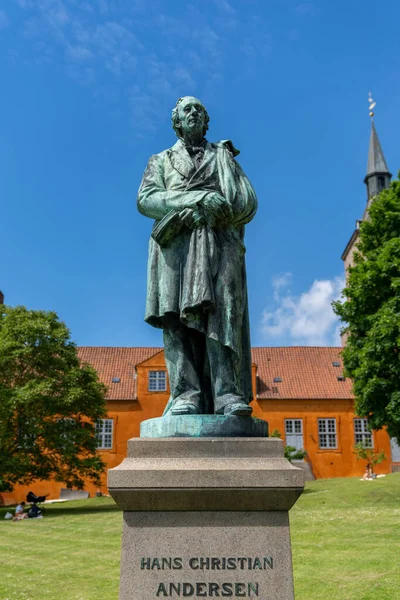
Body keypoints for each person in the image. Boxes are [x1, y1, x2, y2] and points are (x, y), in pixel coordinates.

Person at [138, 96, 257, 417]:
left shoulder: (224, 157)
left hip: (219, 243)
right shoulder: (160, 160)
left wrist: (224, 206)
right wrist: (197, 197)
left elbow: (248, 200)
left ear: (207, 121)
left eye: (199, 110)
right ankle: (185, 394)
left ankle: (227, 393)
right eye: (187, 109)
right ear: (176, 122)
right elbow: (146, 199)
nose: (194, 113)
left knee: (223, 313)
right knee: (175, 318)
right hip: (175, 247)